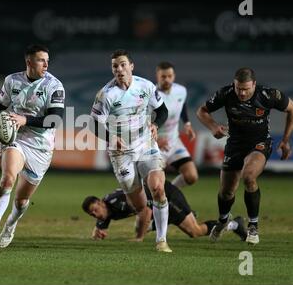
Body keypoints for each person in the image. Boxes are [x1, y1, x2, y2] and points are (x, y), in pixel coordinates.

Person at [196, 67, 293, 245]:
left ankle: (253, 226)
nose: (242, 93)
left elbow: (292, 109)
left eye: (246, 89)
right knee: (226, 192)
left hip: (259, 143)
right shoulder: (226, 94)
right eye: (239, 88)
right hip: (235, 144)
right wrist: (213, 127)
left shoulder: (268, 95)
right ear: (234, 85)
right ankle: (222, 221)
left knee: (249, 176)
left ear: (254, 85)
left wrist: (285, 140)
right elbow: (202, 111)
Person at [0, 44, 65, 250]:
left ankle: (10, 225)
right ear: (29, 62)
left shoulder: (54, 85)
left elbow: (55, 119)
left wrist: (24, 119)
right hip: (16, 140)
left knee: (21, 200)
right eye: (40, 60)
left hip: (41, 147)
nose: (46, 64)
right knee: (7, 179)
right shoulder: (12, 81)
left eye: (47, 60)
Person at [90, 49, 172, 252]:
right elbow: (94, 125)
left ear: (131, 66)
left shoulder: (145, 86)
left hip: (146, 146)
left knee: (158, 188)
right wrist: (111, 138)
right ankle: (140, 224)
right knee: (140, 205)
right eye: (115, 66)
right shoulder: (106, 95)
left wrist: (155, 125)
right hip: (121, 153)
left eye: (123, 64)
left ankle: (161, 240)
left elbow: (162, 110)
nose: (119, 69)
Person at [82, 180, 247, 241]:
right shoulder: (105, 209)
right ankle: (166, 221)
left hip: (167, 196)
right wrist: (97, 234)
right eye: (92, 214)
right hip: (156, 205)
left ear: (100, 202)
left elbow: (145, 212)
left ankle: (234, 224)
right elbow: (100, 226)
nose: (96, 215)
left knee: (195, 231)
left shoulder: (118, 202)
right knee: (144, 223)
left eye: (95, 210)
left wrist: (138, 238)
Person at [155, 61, 198, 188]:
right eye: (163, 76)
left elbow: (182, 105)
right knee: (156, 184)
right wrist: (156, 139)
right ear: (157, 76)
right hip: (155, 145)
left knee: (191, 176)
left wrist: (187, 124)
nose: (167, 79)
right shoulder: (150, 95)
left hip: (173, 141)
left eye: (170, 76)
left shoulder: (181, 90)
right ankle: (150, 205)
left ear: (174, 76)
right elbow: (141, 121)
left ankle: (169, 195)